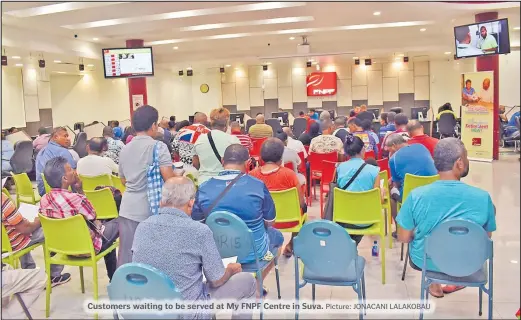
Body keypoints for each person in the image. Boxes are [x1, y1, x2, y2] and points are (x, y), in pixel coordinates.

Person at [132, 177, 256, 319]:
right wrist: (230, 270)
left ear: (162, 201)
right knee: (248, 282)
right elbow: (216, 280)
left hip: (148, 310)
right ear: (191, 203)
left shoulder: (142, 227)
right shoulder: (199, 231)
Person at [397, 138, 496, 297]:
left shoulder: (416, 196)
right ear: (459, 163)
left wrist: (425, 234)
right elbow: (486, 237)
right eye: (466, 157)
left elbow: (403, 237)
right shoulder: (483, 198)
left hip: (426, 261)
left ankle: (433, 281)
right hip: (469, 262)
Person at [193, 144, 283, 293]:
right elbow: (270, 221)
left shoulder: (204, 188)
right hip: (253, 253)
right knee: (278, 238)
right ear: (248, 163)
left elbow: (197, 224)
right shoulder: (258, 186)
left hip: (217, 252)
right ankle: (255, 283)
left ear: (222, 161)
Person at [39, 157, 119, 280]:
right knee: (121, 222)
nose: (75, 171)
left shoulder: (44, 199)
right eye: (71, 169)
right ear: (65, 178)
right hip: (86, 248)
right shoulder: (78, 199)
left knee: (106, 234)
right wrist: (80, 189)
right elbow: (93, 215)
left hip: (61, 248)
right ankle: (115, 278)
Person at [117, 105, 175, 267]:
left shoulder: (125, 149)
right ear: (153, 125)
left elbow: (123, 180)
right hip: (150, 210)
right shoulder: (158, 146)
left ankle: (128, 288)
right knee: (153, 257)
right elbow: (169, 181)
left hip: (127, 209)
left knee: (129, 255)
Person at [249, 138, 306, 257]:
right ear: (281, 158)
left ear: (262, 157)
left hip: (263, 221)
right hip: (290, 221)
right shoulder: (289, 174)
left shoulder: (252, 175)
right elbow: (300, 202)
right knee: (304, 213)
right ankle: (291, 244)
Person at [2, 192, 70, 285]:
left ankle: (29, 272)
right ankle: (54, 275)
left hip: (4, 245)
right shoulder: (2, 198)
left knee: (17, 228)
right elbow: (25, 229)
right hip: (14, 242)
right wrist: (39, 220)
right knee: (53, 231)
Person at [335, 134, 382, 245]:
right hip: (366, 220)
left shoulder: (339, 168)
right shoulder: (374, 171)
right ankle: (352, 246)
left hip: (343, 218)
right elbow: (377, 202)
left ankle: (349, 247)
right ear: (362, 150)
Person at [385, 134, 437, 225]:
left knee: (391, 194)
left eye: (389, 149)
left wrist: (392, 182)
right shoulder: (421, 147)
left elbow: (397, 185)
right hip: (432, 190)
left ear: (394, 145)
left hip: (411, 196)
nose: (389, 152)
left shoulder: (393, 159)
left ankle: (400, 228)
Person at [193, 108, 240, 184]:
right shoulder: (233, 140)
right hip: (226, 183)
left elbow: (195, 162)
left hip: (204, 182)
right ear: (227, 123)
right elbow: (239, 164)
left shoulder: (200, 139)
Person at [35, 127, 77, 196]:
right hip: (59, 192)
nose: (68, 139)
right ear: (55, 137)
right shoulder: (63, 152)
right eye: (65, 136)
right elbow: (74, 175)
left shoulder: (42, 151)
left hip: (43, 191)